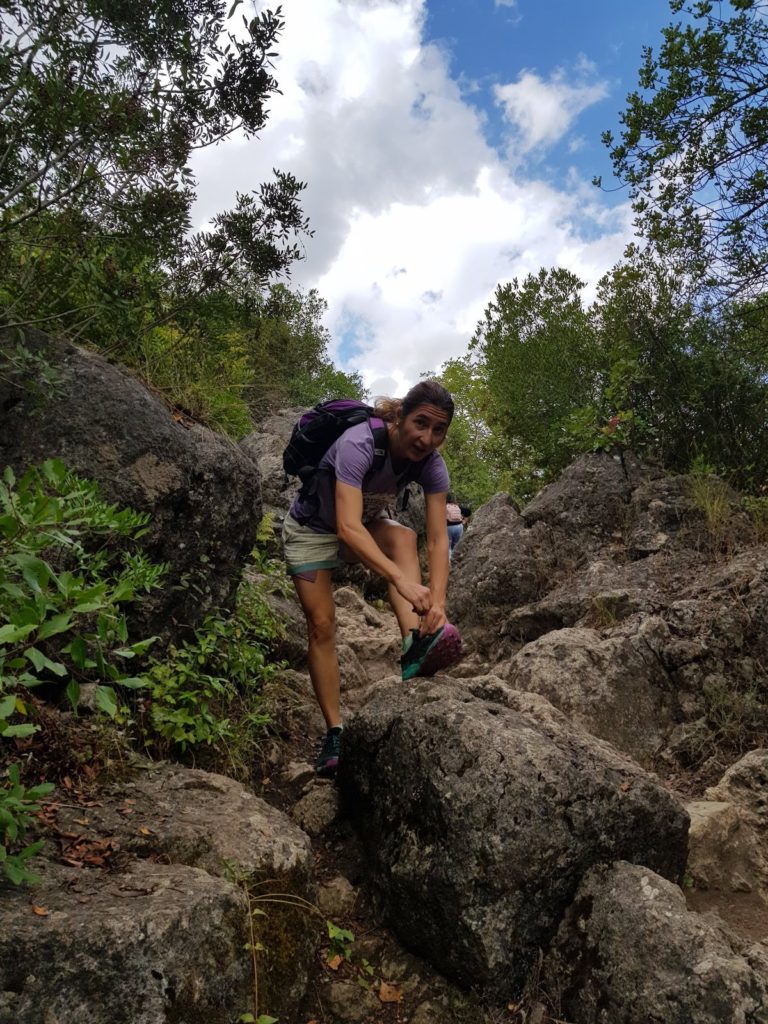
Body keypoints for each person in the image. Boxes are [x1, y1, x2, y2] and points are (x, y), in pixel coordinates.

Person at [282, 380, 461, 777]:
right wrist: (402, 581)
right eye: (420, 424)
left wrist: (439, 601)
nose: (427, 438)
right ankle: (334, 733)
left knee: (403, 536)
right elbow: (346, 528)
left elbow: (436, 538)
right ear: (399, 417)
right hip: (313, 527)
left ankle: (415, 645)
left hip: (364, 523)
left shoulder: (432, 465)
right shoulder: (358, 444)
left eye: (438, 431)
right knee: (321, 625)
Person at [445, 493, 464, 561]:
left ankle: (449, 561)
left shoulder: (445, 506)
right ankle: (457, 559)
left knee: (448, 545)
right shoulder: (457, 506)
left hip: (449, 527)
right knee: (457, 544)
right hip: (460, 526)